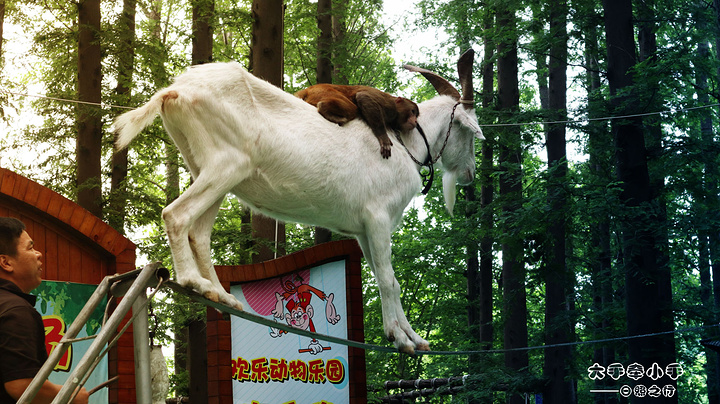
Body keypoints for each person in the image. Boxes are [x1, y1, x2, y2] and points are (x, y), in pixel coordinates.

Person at [0, 217, 89, 404]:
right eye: (30, 248)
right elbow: (21, 385)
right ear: (6, 263)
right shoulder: (15, 310)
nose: (38, 254)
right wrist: (72, 396)